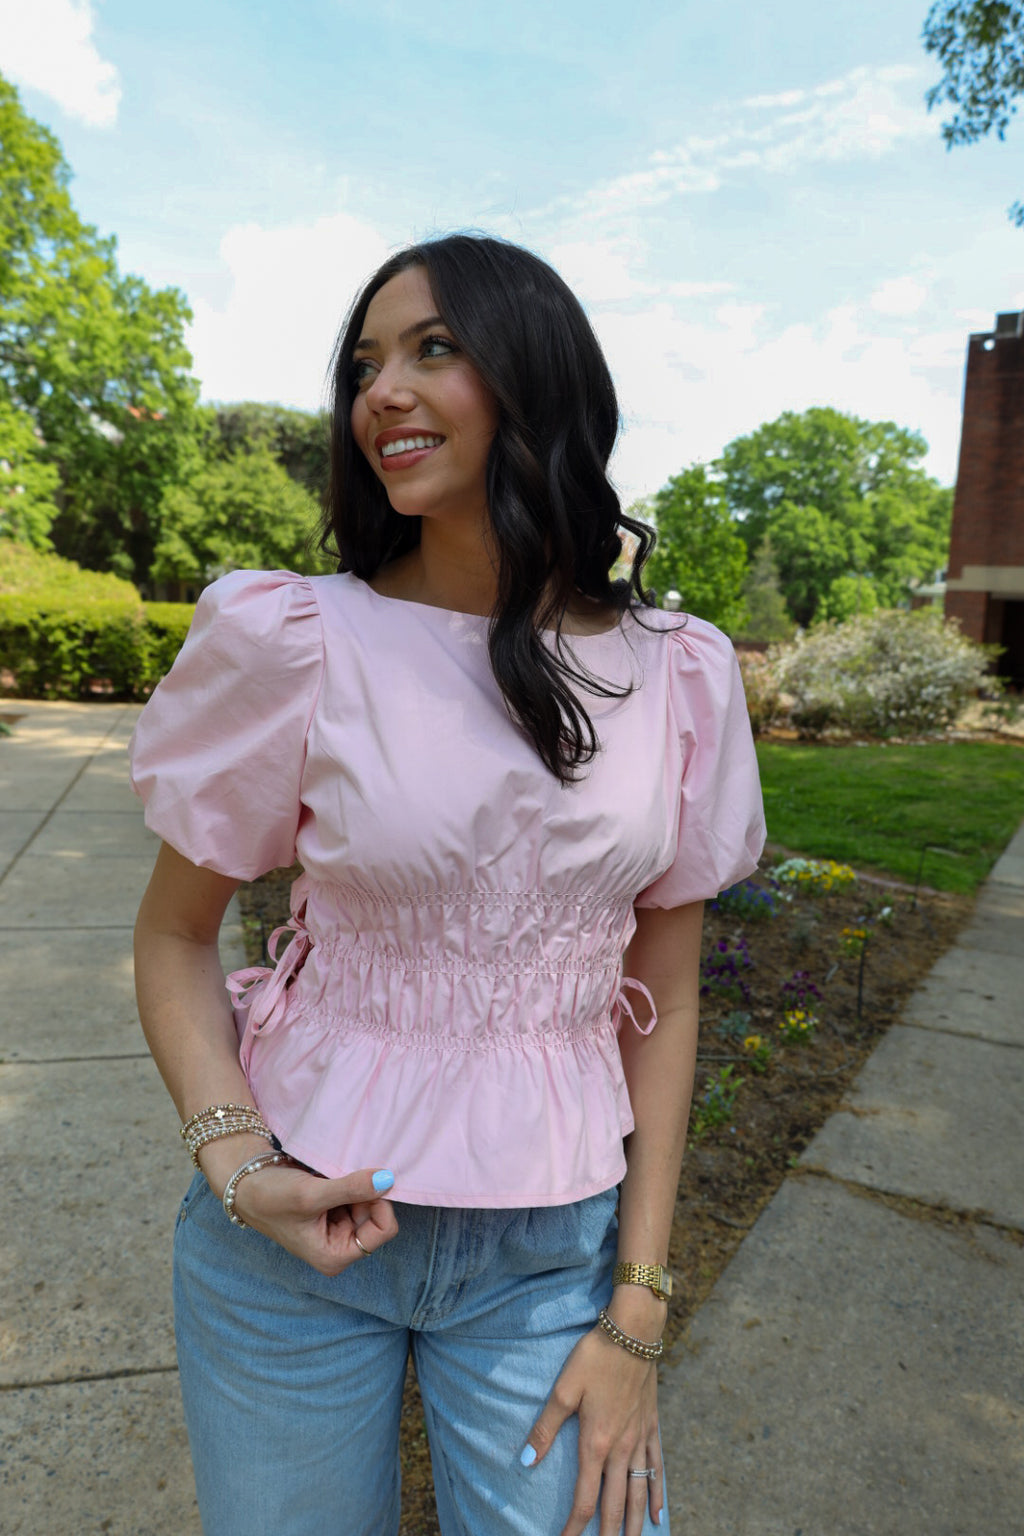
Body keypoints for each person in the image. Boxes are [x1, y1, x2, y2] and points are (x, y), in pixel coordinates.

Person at [129, 233, 765, 1536]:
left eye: (433, 348)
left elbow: (672, 998)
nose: (381, 392)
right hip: (288, 1248)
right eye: (364, 364)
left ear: (536, 379)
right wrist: (238, 1164)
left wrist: (638, 1310)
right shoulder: (300, 640)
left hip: (548, 1262)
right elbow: (174, 938)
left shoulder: (679, 675)